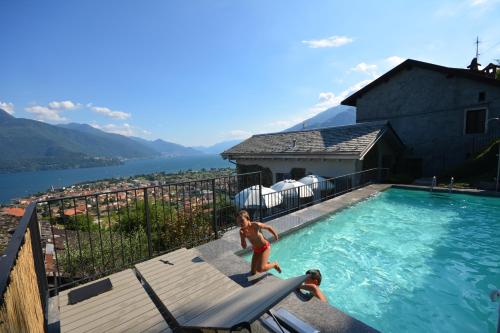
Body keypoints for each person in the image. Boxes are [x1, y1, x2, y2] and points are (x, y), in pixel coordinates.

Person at [236, 210, 282, 275]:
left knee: (260, 269)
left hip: (265, 247)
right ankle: (265, 263)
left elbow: (268, 227)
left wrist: (275, 235)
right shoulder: (242, 232)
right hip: (256, 250)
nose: (240, 223)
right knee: (253, 272)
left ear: (248, 219)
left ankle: (274, 264)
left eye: (242, 221)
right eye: (238, 222)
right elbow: (244, 247)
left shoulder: (256, 225)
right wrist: (242, 238)